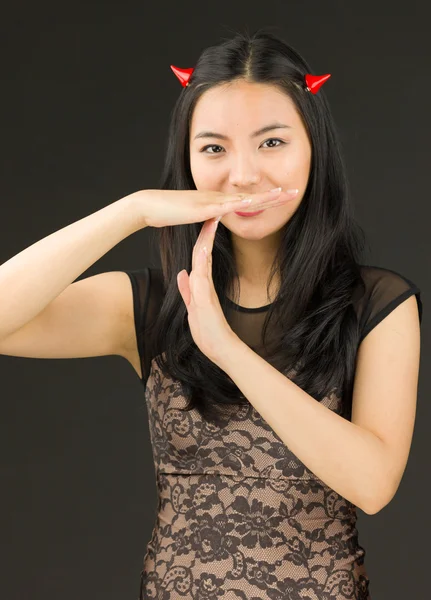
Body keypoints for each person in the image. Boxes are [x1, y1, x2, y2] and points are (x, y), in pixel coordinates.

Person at [0, 28, 422, 600]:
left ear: (313, 148)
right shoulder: (153, 305)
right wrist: (133, 210)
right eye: (214, 148)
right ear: (188, 157)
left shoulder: (377, 303)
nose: (243, 174)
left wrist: (228, 349)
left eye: (272, 143)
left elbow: (372, 484)